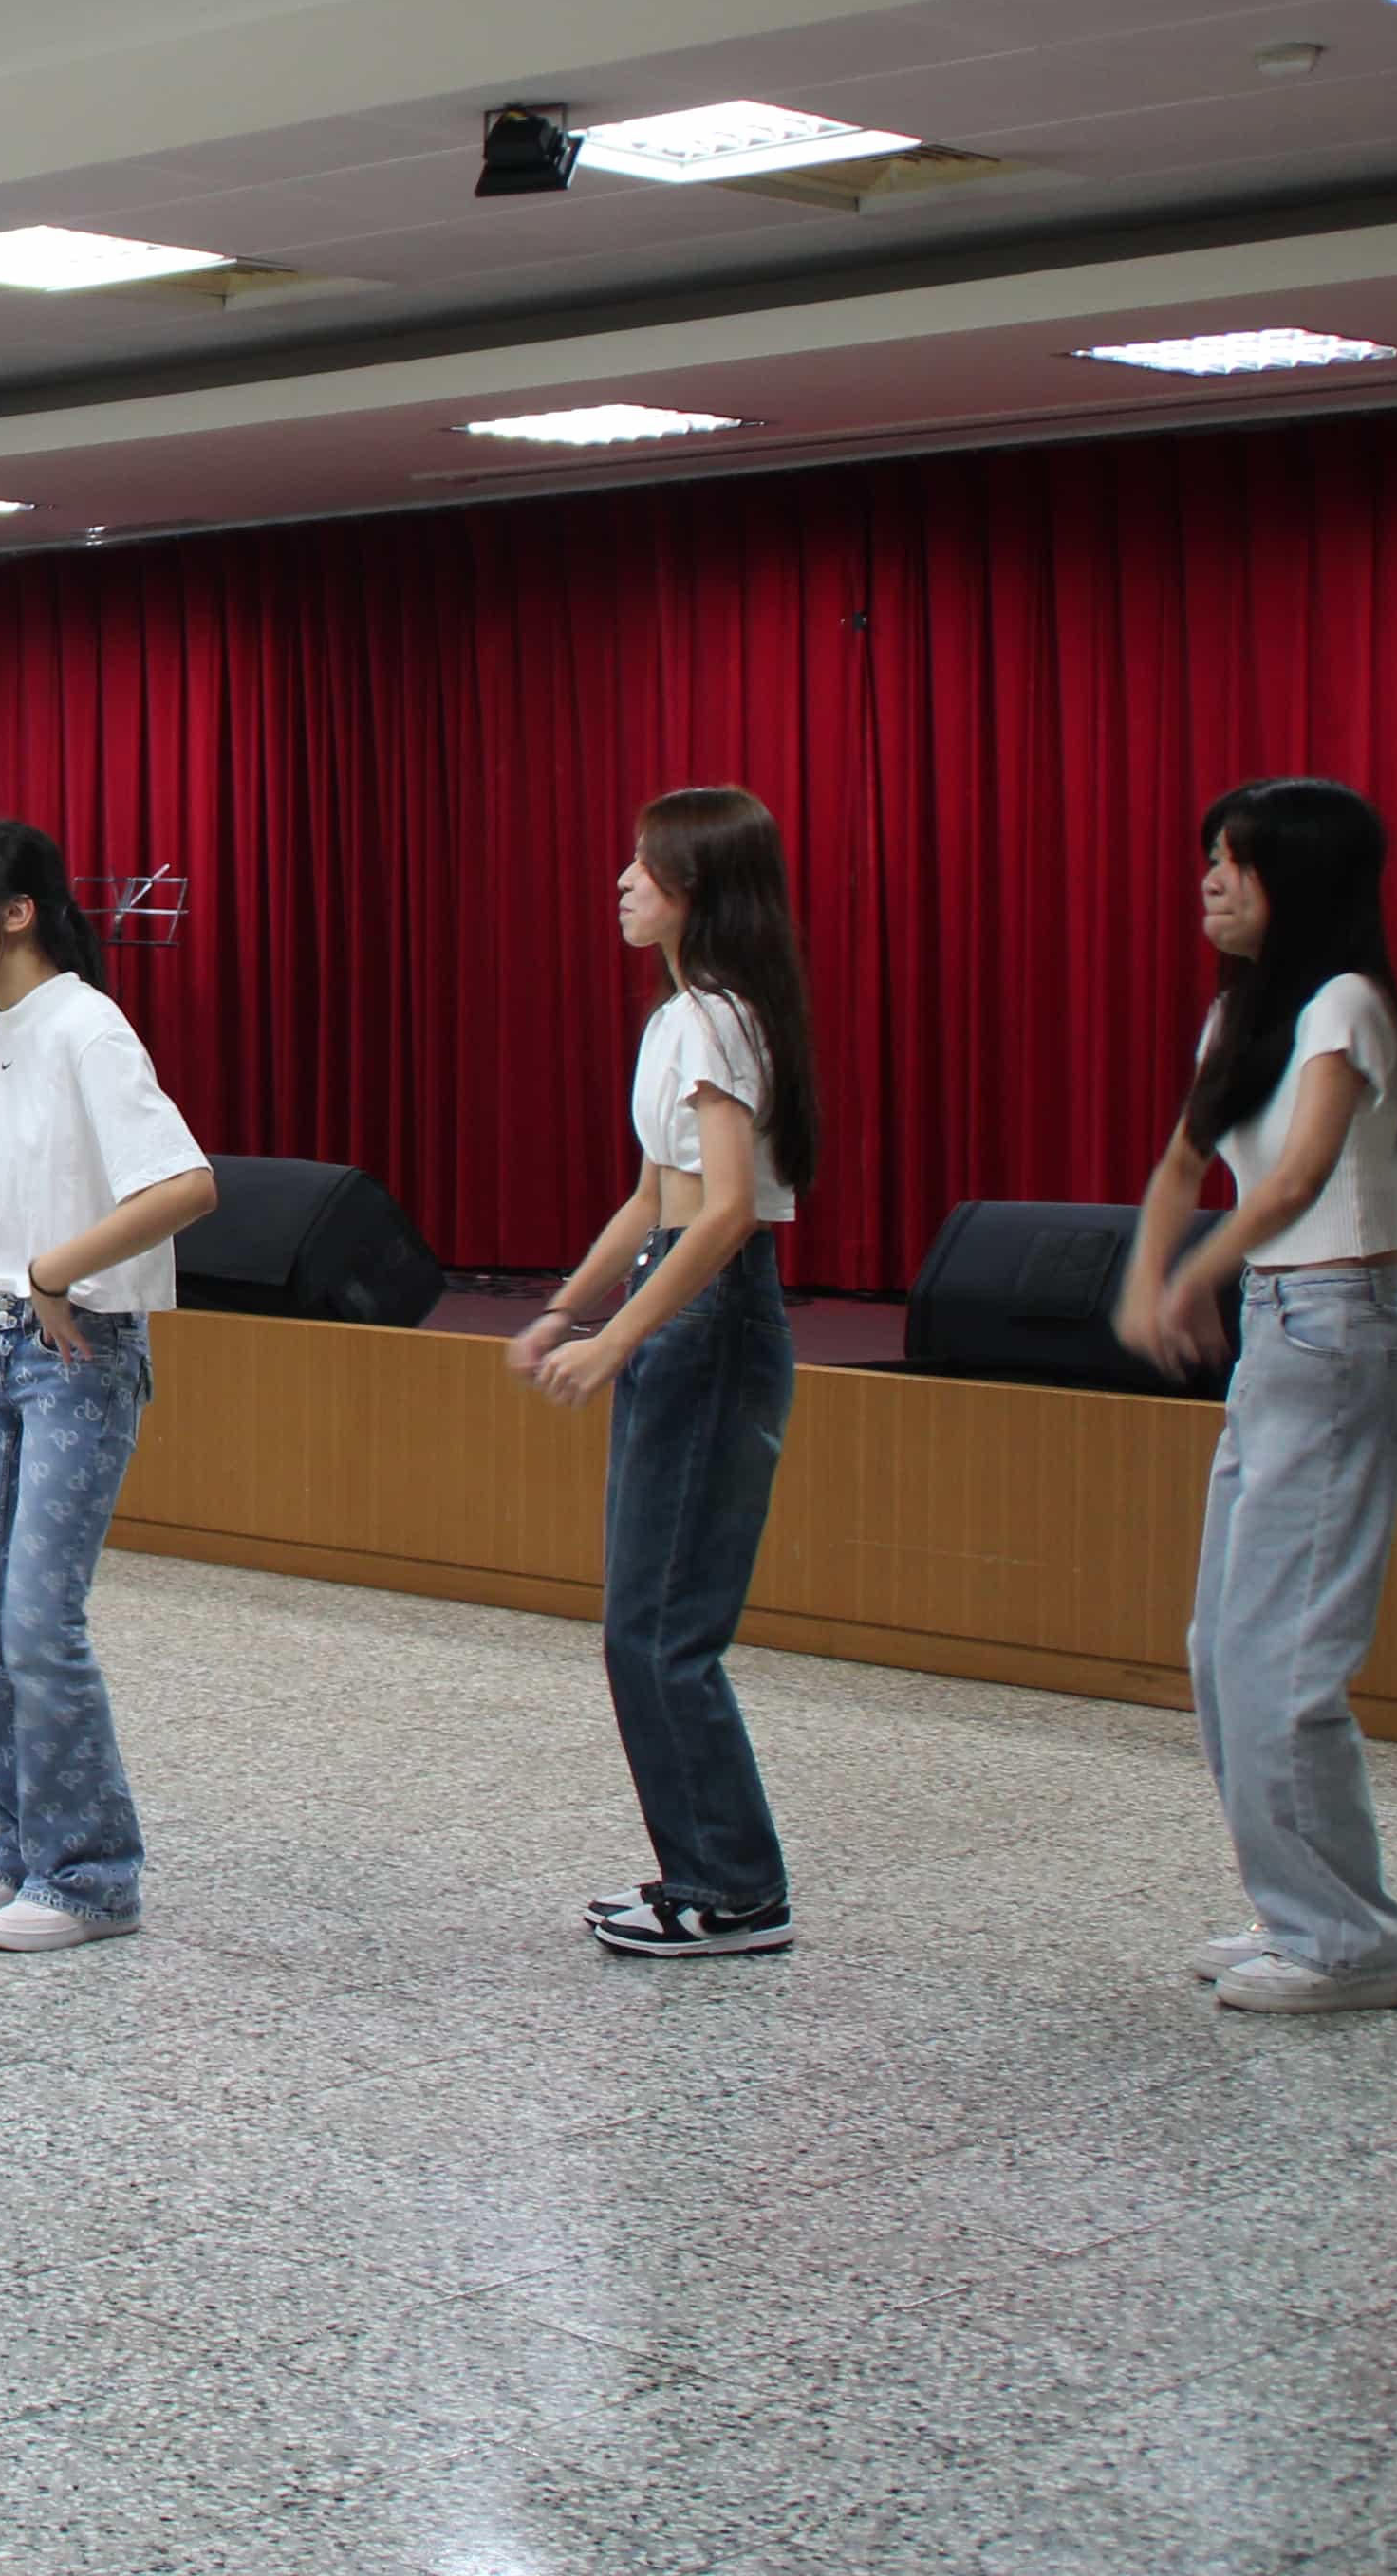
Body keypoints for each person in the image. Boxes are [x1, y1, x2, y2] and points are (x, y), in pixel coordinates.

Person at [1115, 779, 1397, 2019]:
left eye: (1234, 861)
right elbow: (1183, 1162)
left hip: (1340, 1333)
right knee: (1222, 1648)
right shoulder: (1241, 1013)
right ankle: (1293, 1909)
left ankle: (1351, 1944)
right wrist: (1147, 1280)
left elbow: (1296, 1180)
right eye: (1208, 857)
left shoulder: (1346, 1003)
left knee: (1282, 1659)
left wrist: (1194, 1276)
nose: (1210, 880)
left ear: (1297, 879)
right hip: (1279, 1336)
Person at [508, 787, 822, 1961]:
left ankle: (733, 1892)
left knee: (660, 1631)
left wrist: (619, 1339)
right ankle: (710, 1876)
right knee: (644, 1624)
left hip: (707, 1319)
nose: (625, 882)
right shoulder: (685, 1017)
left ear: (700, 888)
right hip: (682, 1301)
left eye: (648, 867)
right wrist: (564, 1311)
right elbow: (651, 1200)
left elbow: (724, 1212)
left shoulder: (714, 1019)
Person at [0, 821, 216, 1955]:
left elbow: (184, 1185)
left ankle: (91, 1873)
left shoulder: (88, 1026)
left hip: (73, 1352)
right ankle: (15, 1838)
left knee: (37, 1618)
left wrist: (49, 1271)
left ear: (16, 911)